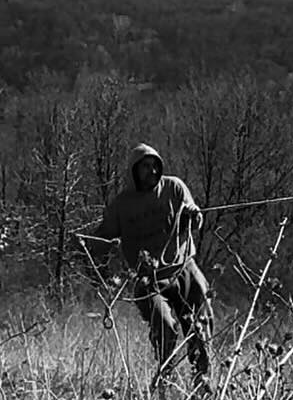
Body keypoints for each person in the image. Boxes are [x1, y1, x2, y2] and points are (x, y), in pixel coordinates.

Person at [85, 144, 212, 387]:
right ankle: (164, 382)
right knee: (165, 328)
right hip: (148, 279)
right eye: (145, 166)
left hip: (184, 268)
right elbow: (102, 238)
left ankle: (203, 385)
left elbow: (195, 217)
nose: (152, 171)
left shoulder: (174, 187)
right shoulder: (121, 205)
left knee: (200, 326)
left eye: (155, 165)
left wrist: (194, 215)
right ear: (134, 170)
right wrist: (85, 246)